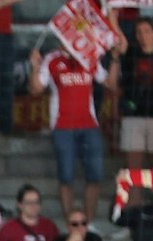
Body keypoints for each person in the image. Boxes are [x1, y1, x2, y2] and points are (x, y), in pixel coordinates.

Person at [27, 42, 107, 223]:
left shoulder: (89, 56)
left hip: (89, 125)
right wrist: (35, 66)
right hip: (63, 127)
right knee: (66, 177)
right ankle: (70, 223)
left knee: (94, 176)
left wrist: (115, 57)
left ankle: (89, 223)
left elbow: (108, 82)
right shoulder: (52, 59)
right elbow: (35, 89)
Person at [113, 21, 153, 172]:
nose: (143, 35)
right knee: (133, 171)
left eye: (147, 31)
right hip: (133, 116)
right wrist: (113, 18)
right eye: (139, 32)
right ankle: (133, 197)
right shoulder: (130, 54)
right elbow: (118, 40)